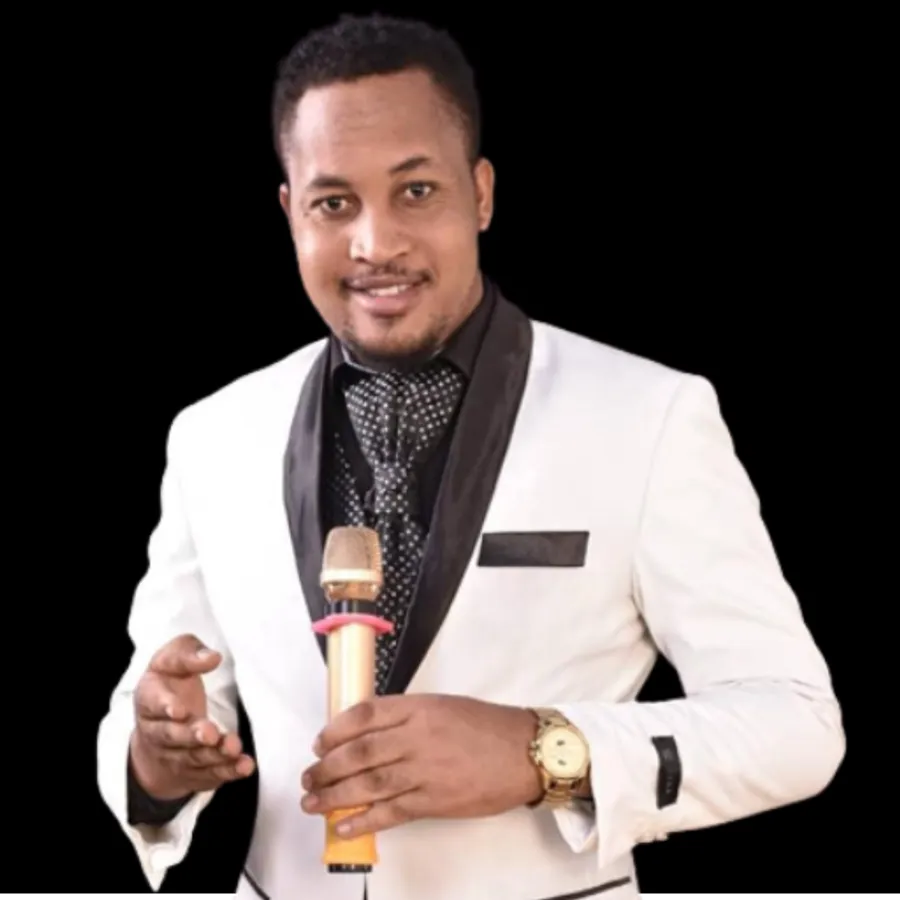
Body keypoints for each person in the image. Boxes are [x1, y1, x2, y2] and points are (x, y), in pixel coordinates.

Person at [96, 13, 845, 900]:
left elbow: (797, 724)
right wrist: (153, 757)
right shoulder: (211, 434)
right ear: (291, 210)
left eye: (416, 191)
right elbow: (152, 706)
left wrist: (544, 753)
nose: (376, 243)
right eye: (334, 203)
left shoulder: (651, 416)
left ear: (481, 194)